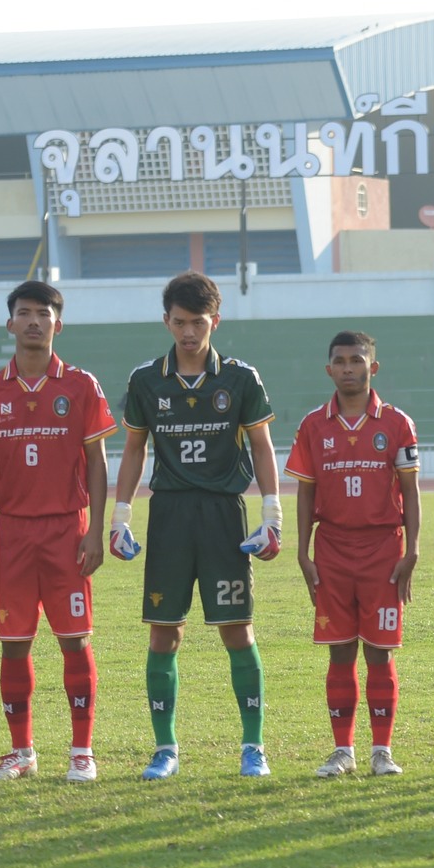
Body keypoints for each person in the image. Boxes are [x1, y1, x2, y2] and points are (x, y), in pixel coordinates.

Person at [109, 271, 281, 780]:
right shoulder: (146, 379)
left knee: (237, 630)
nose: (189, 332)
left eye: (198, 323)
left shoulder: (241, 378)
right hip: (169, 515)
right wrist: (120, 518)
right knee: (164, 634)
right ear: (167, 320)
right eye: (180, 322)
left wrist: (272, 514)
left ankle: (253, 746)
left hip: (224, 514)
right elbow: (134, 449)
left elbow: (262, 446)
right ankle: (165, 749)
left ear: (215, 321)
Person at [0, 281, 118, 783]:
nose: (34, 321)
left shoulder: (81, 385)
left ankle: (82, 751)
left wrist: (95, 530)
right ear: (10, 323)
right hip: (12, 533)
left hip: (66, 530)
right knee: (14, 643)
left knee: (74, 640)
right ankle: (22, 751)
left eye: (44, 313)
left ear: (59, 323)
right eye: (25, 312)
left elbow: (97, 463)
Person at [286, 331, 421, 777]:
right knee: (340, 651)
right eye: (341, 361)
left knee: (380, 652)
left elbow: (410, 491)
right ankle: (343, 751)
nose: (349, 368)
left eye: (357, 360)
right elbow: (305, 493)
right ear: (329, 370)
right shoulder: (313, 425)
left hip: (383, 550)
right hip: (332, 549)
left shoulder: (396, 423)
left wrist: (413, 549)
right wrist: (303, 552)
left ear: (372, 367)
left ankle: (382, 751)